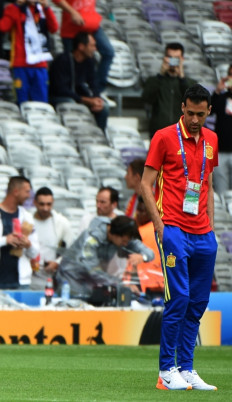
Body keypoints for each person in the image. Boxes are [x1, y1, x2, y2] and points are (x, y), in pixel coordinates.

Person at [139, 84, 218, 391]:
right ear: (182, 108)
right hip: (172, 227)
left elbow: (207, 180)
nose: (195, 119)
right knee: (179, 299)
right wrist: (158, 225)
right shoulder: (164, 137)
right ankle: (165, 370)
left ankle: (187, 368)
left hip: (203, 232)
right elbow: (146, 184)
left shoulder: (211, 139)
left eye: (200, 114)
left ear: (208, 111)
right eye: (190, 112)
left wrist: (210, 222)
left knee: (198, 302)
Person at [57, 215, 154, 297]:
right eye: (124, 241)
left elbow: (150, 253)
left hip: (92, 281)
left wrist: (142, 257)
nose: (125, 245)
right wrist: (121, 284)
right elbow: (93, 270)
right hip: (70, 278)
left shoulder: (124, 234)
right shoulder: (92, 238)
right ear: (113, 235)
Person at [0, 0, 59, 104]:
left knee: (41, 102)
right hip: (21, 63)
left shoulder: (42, 9)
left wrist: (47, 8)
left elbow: (54, 28)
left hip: (40, 64)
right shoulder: (15, 8)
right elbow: (2, 27)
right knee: (22, 101)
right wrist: (16, 6)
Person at [53, 0, 114, 102]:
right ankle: (73, 96)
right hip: (73, 28)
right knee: (70, 65)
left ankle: (98, 91)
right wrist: (72, 12)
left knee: (108, 52)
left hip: (92, 26)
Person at [49, 32, 108, 131]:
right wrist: (84, 100)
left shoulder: (90, 61)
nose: (95, 49)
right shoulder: (62, 60)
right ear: (81, 46)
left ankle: (99, 135)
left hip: (79, 97)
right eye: (92, 46)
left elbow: (94, 82)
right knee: (70, 103)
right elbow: (60, 89)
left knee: (104, 107)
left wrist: (97, 99)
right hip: (60, 97)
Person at [141, 43, 197, 137]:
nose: (173, 61)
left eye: (176, 58)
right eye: (170, 57)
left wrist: (182, 78)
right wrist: (161, 75)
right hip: (159, 131)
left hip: (182, 132)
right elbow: (147, 98)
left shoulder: (190, 83)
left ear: (182, 59)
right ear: (165, 58)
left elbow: (193, 101)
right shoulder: (154, 80)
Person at [31, 186, 75, 289]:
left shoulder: (62, 223)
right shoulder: (28, 221)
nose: (45, 208)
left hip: (50, 279)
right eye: (42, 204)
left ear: (53, 203)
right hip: (28, 278)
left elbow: (72, 251)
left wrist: (57, 263)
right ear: (35, 203)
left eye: (49, 204)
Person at [122, 197, 164, 297]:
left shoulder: (140, 232)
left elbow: (130, 262)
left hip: (145, 284)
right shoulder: (165, 230)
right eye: (138, 210)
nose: (138, 214)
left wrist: (127, 283)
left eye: (142, 211)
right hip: (162, 283)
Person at [210, 64, 232, 194]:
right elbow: (208, 110)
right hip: (220, 152)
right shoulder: (221, 98)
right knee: (221, 192)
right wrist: (217, 91)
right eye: (230, 74)